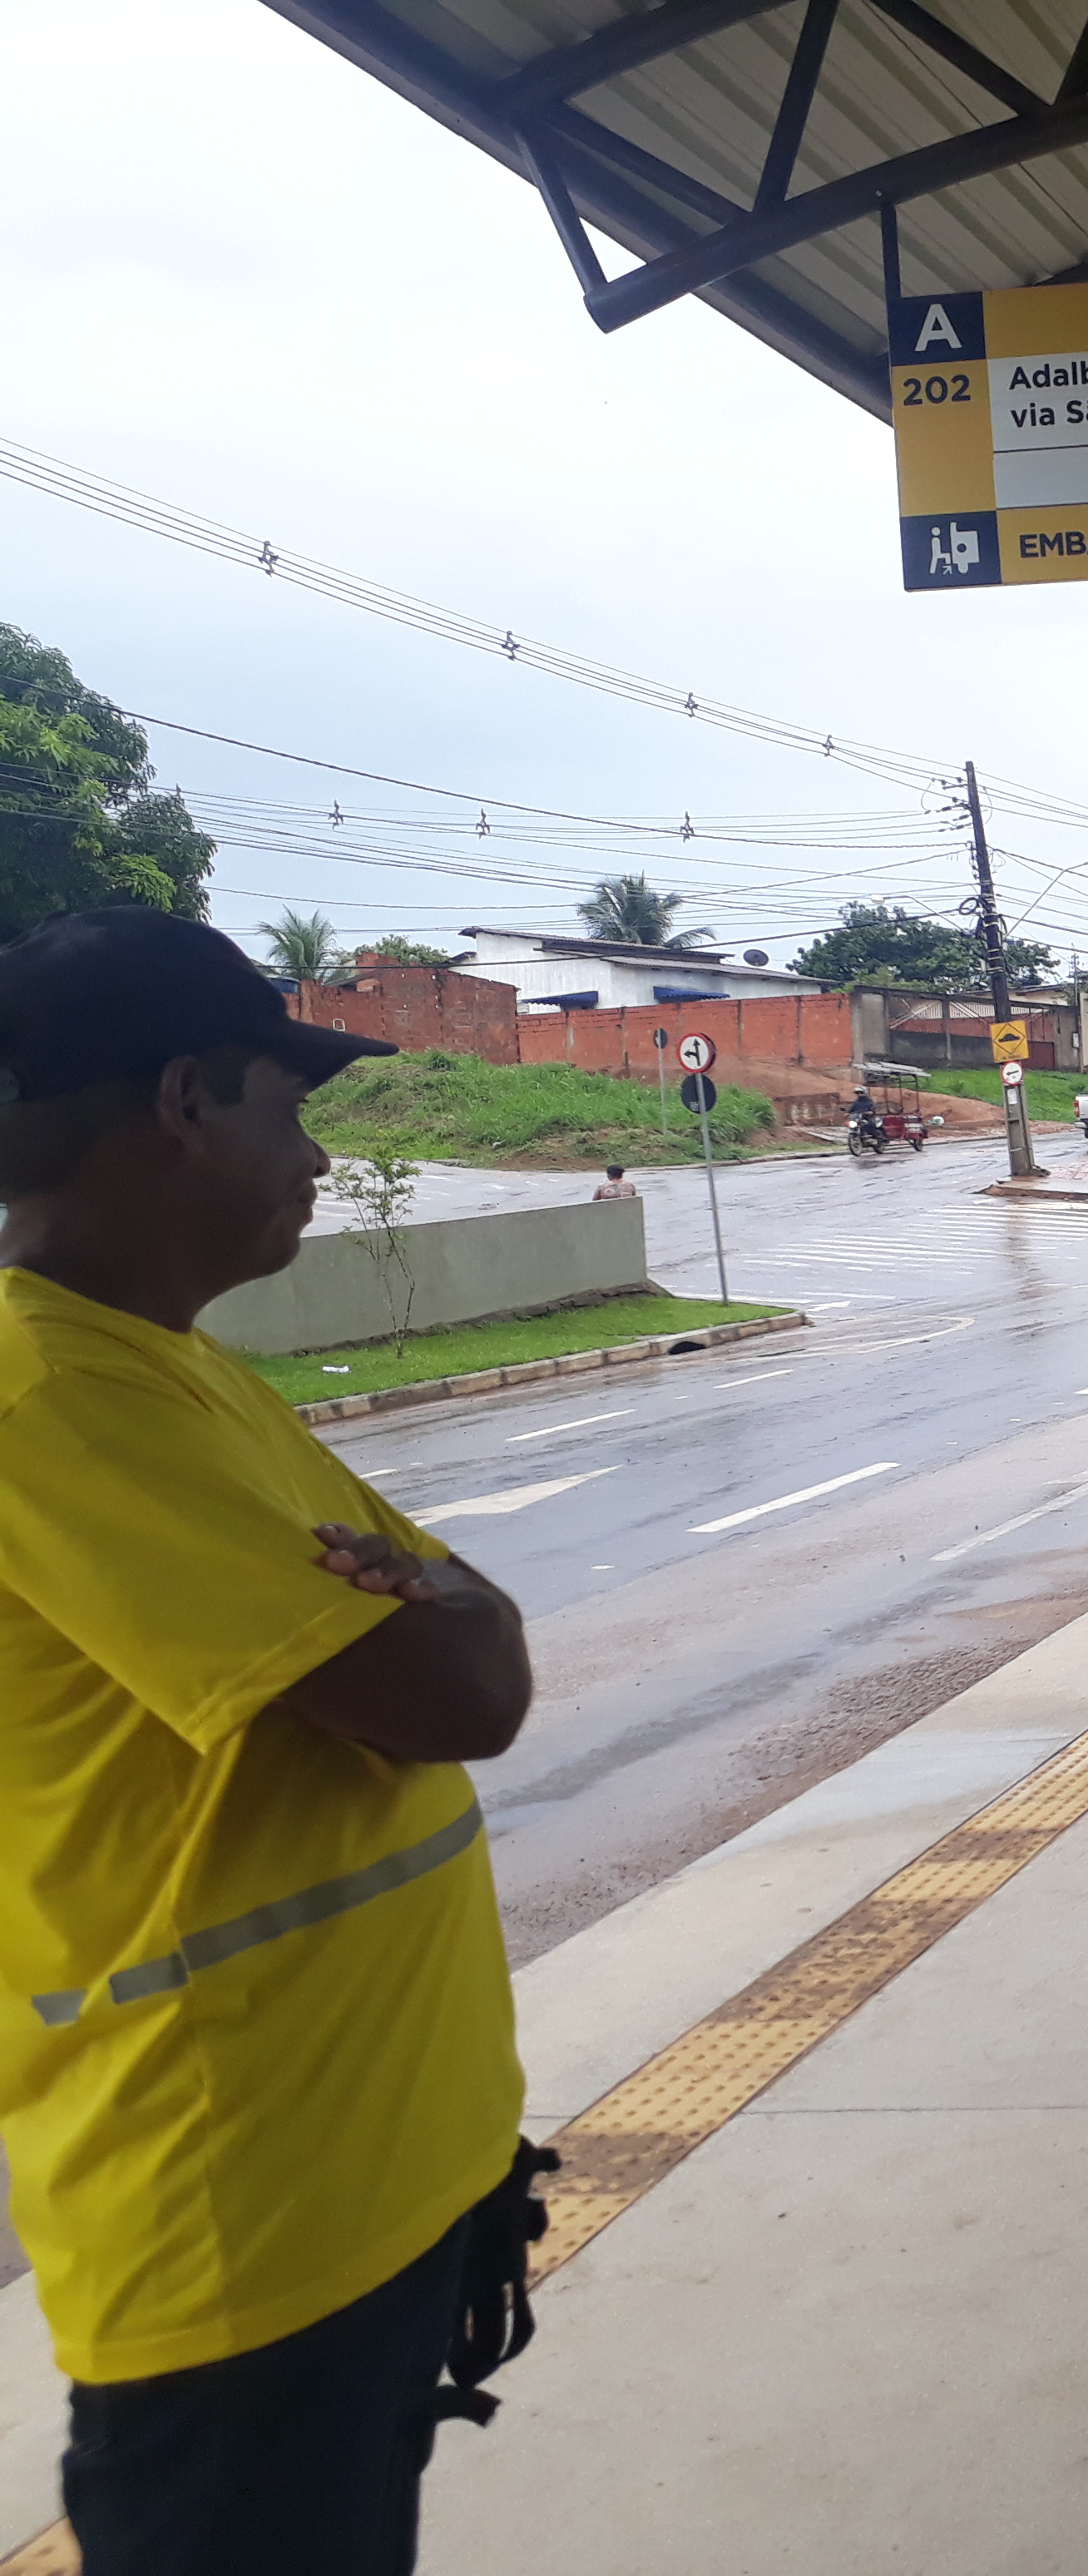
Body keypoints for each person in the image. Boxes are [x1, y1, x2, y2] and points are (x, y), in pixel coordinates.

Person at [0, 909, 543, 2576]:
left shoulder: (176, 1377)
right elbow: (467, 1689)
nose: (314, 1158)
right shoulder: (45, 1401)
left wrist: (436, 1612)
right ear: (184, 1101)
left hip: (357, 2197)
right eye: (287, 1111)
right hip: (238, 2233)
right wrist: (429, 1613)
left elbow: (471, 1629)